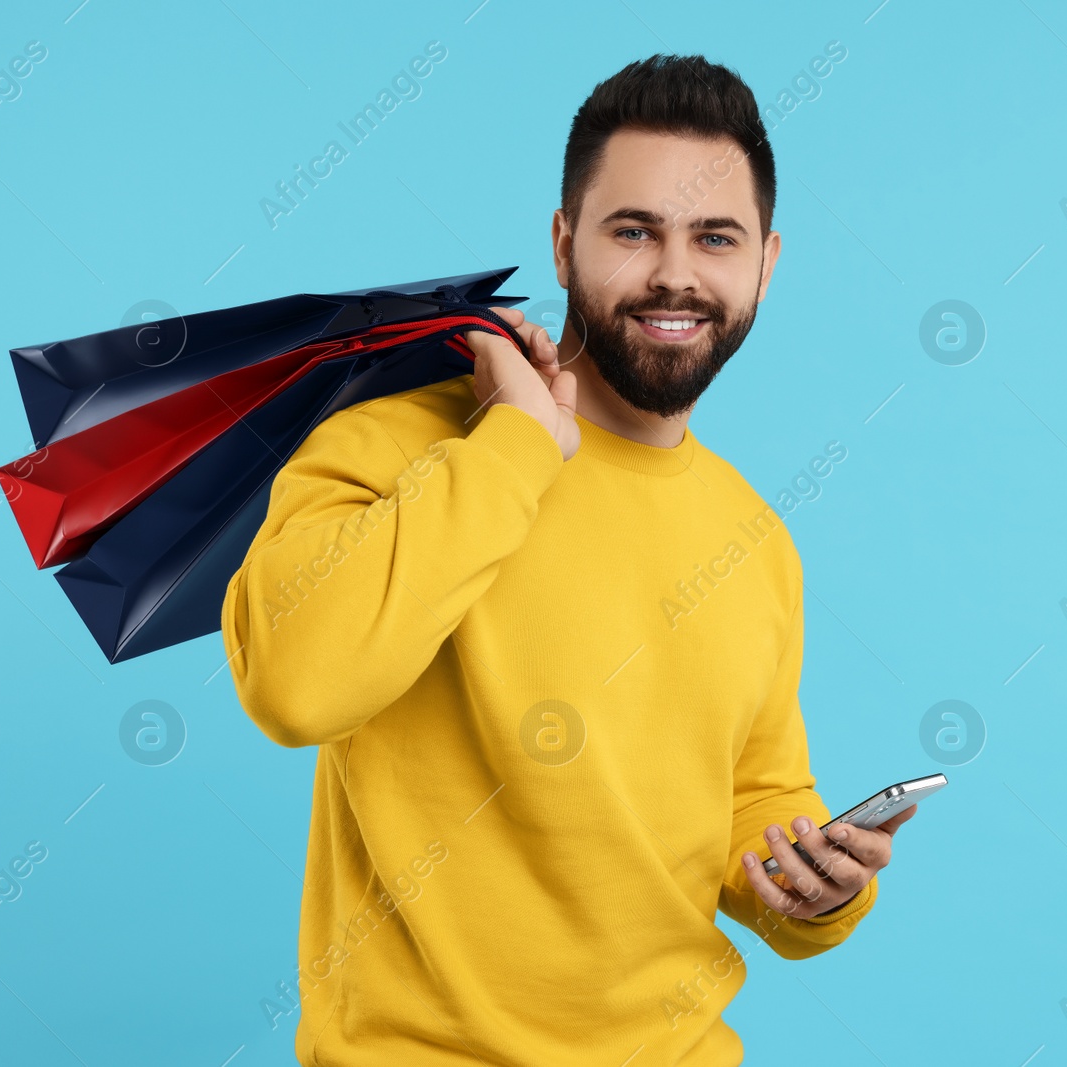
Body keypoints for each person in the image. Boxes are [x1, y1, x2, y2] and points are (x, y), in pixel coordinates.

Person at [221, 53, 917, 1066]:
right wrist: (512, 442)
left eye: (713, 237)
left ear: (764, 263)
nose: (674, 273)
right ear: (562, 244)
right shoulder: (399, 445)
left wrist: (817, 887)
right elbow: (293, 684)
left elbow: (753, 798)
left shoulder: (755, 538)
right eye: (633, 231)